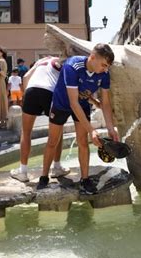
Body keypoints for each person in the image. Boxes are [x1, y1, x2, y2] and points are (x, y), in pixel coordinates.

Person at [37, 44, 119, 195]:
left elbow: (106, 103)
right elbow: (73, 103)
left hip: (82, 104)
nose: (106, 69)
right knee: (52, 141)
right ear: (92, 57)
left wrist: (110, 128)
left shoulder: (104, 74)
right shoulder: (72, 66)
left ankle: (85, 179)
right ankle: (43, 177)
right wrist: (92, 130)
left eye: (108, 66)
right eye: (104, 65)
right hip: (61, 103)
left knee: (83, 142)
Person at [10, 56, 70, 182]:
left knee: (26, 133)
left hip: (32, 89)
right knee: (57, 130)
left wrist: (28, 96)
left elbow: (25, 77)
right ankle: (57, 167)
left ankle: (23, 171)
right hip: (50, 91)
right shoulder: (62, 62)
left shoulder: (40, 61)